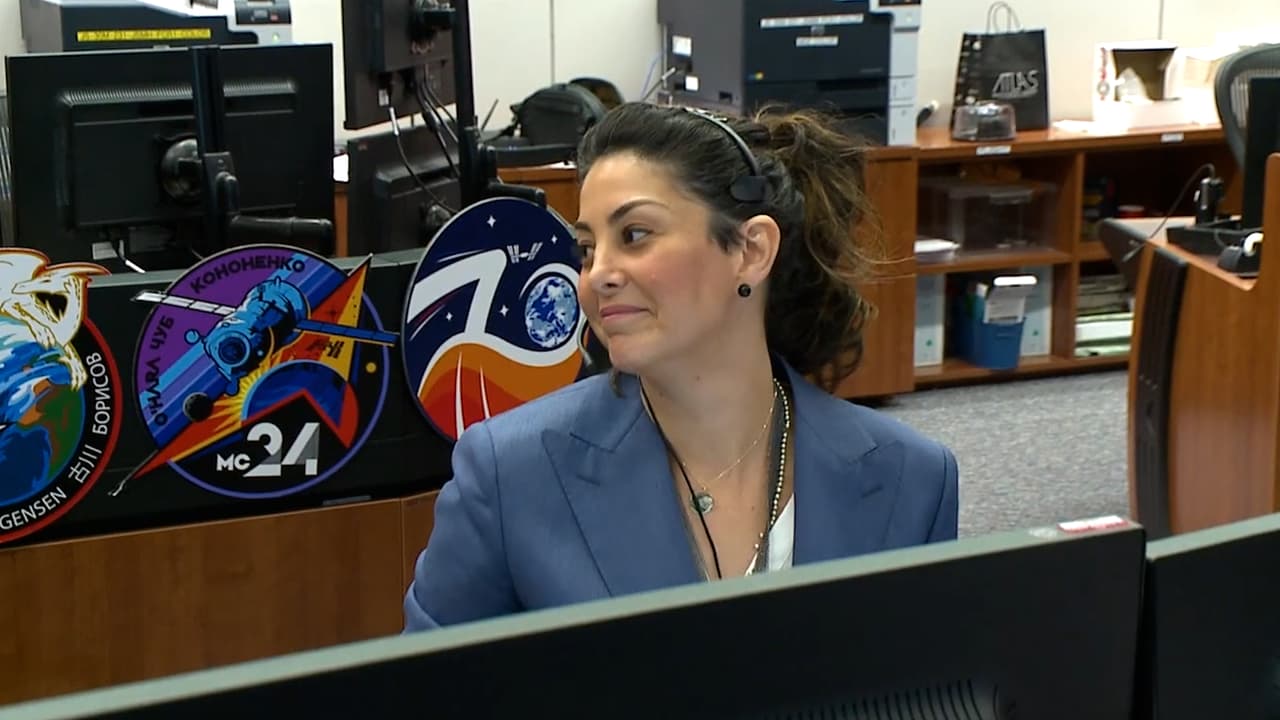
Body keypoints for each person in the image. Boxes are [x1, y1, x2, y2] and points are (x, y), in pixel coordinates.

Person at [403, 102, 959, 631]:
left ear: (751, 250)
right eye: (587, 249)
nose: (597, 276)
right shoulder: (509, 473)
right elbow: (429, 684)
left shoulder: (911, 477)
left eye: (635, 235)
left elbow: (933, 682)